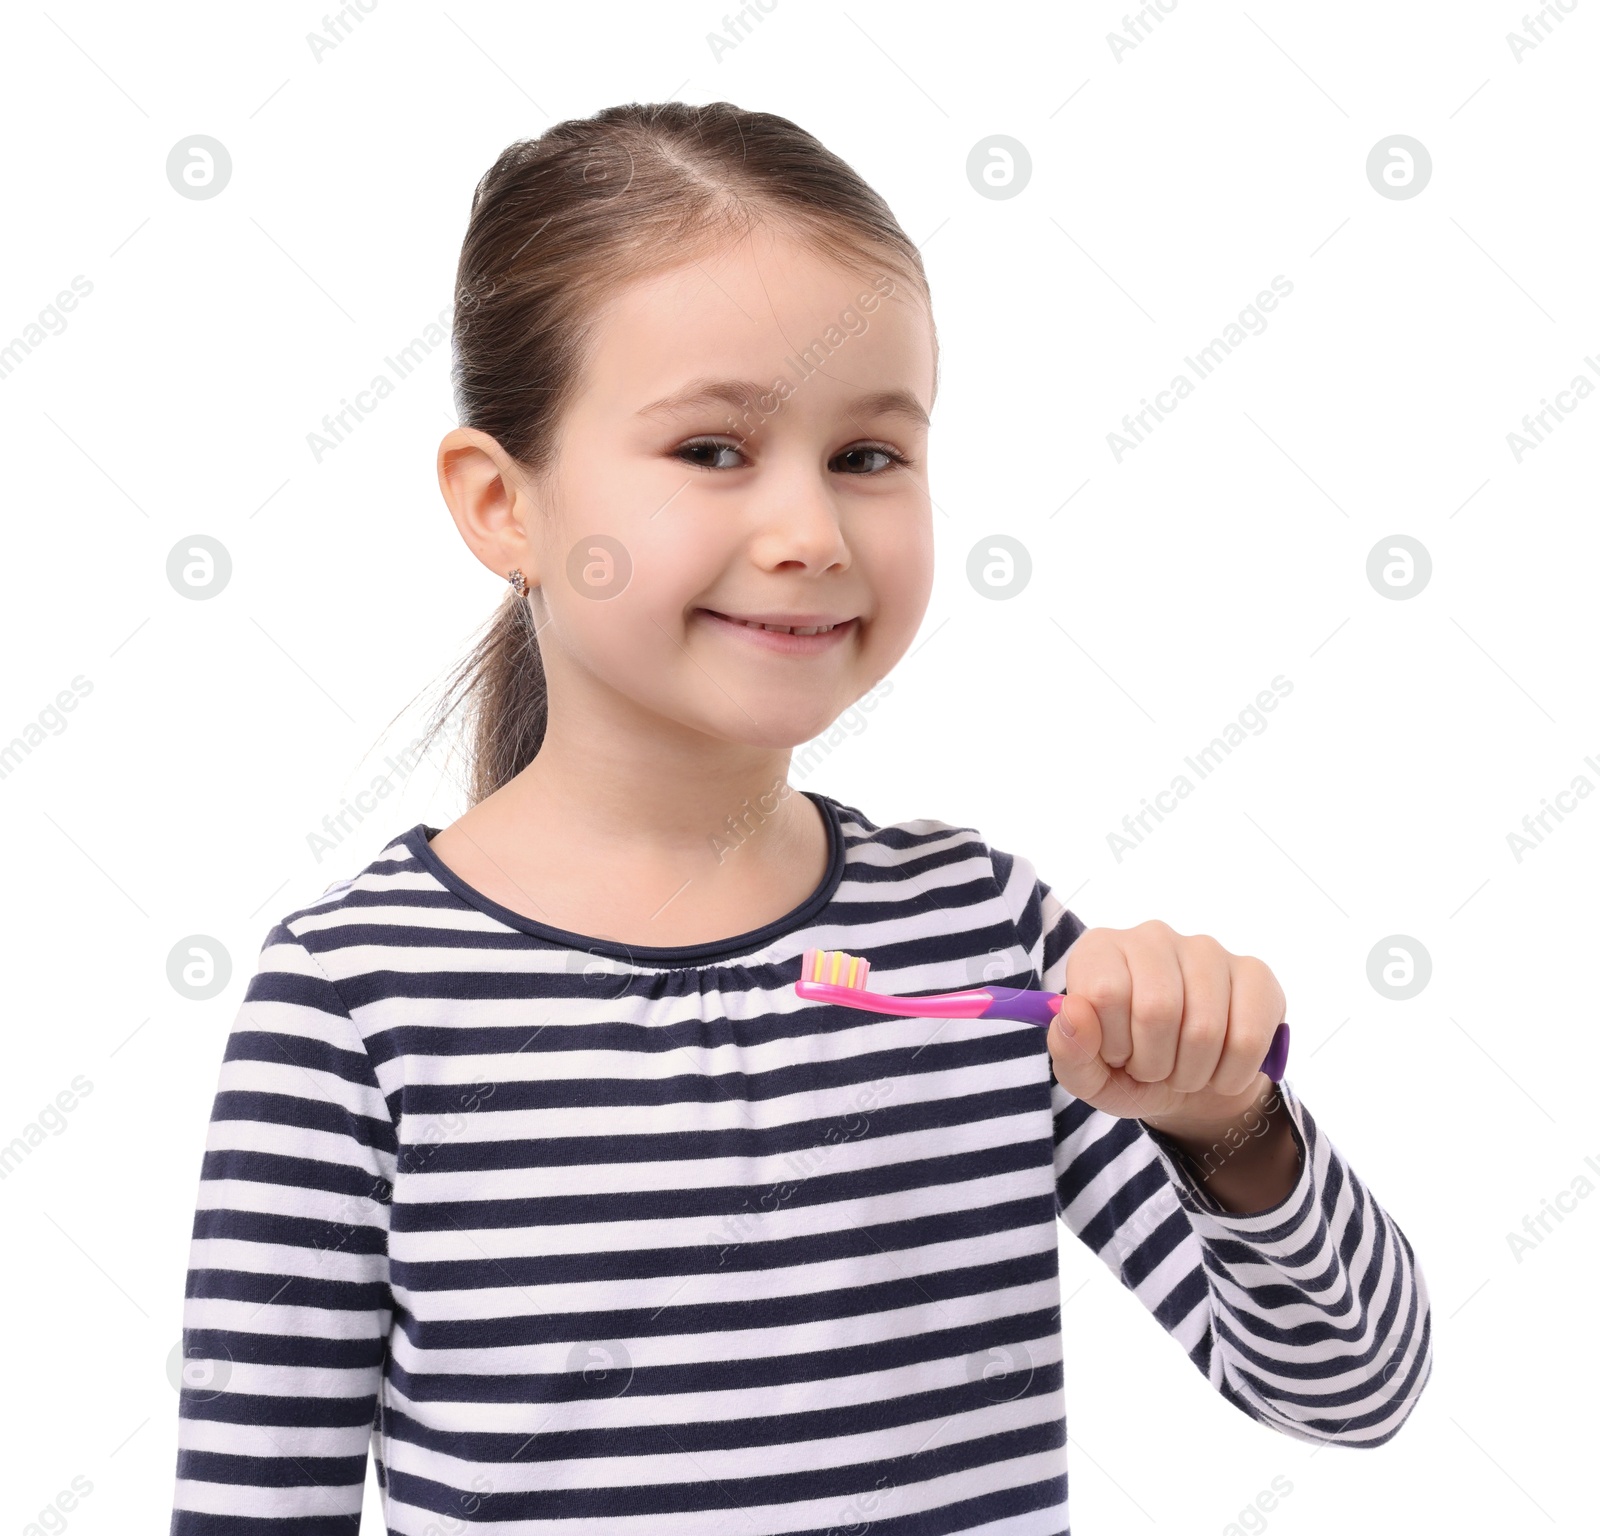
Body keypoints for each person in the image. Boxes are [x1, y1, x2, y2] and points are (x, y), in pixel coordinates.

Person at [168, 101, 1432, 1534]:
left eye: (868, 457)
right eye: (712, 451)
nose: (812, 534)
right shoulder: (354, 1003)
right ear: (502, 505)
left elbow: (1353, 1390)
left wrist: (1233, 1128)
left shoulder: (982, 936)